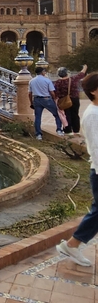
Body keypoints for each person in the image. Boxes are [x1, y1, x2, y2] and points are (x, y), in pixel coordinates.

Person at [56, 72, 98, 266]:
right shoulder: (92, 115)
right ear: (94, 91)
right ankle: (72, 245)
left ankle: (72, 245)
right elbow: (96, 148)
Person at [28, 66, 64, 140]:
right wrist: (55, 99)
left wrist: (31, 102)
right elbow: (52, 92)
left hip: (36, 99)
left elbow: (30, 93)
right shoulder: (47, 80)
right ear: (42, 72)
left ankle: (38, 135)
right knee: (57, 114)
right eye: (44, 71)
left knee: (38, 117)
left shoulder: (31, 81)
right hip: (46, 99)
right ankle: (59, 130)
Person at [55, 65, 88, 134]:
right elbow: (81, 74)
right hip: (74, 99)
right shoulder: (73, 79)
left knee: (66, 114)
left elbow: (56, 93)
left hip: (64, 100)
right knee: (75, 114)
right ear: (67, 73)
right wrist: (84, 68)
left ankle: (68, 130)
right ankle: (76, 130)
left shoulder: (58, 82)